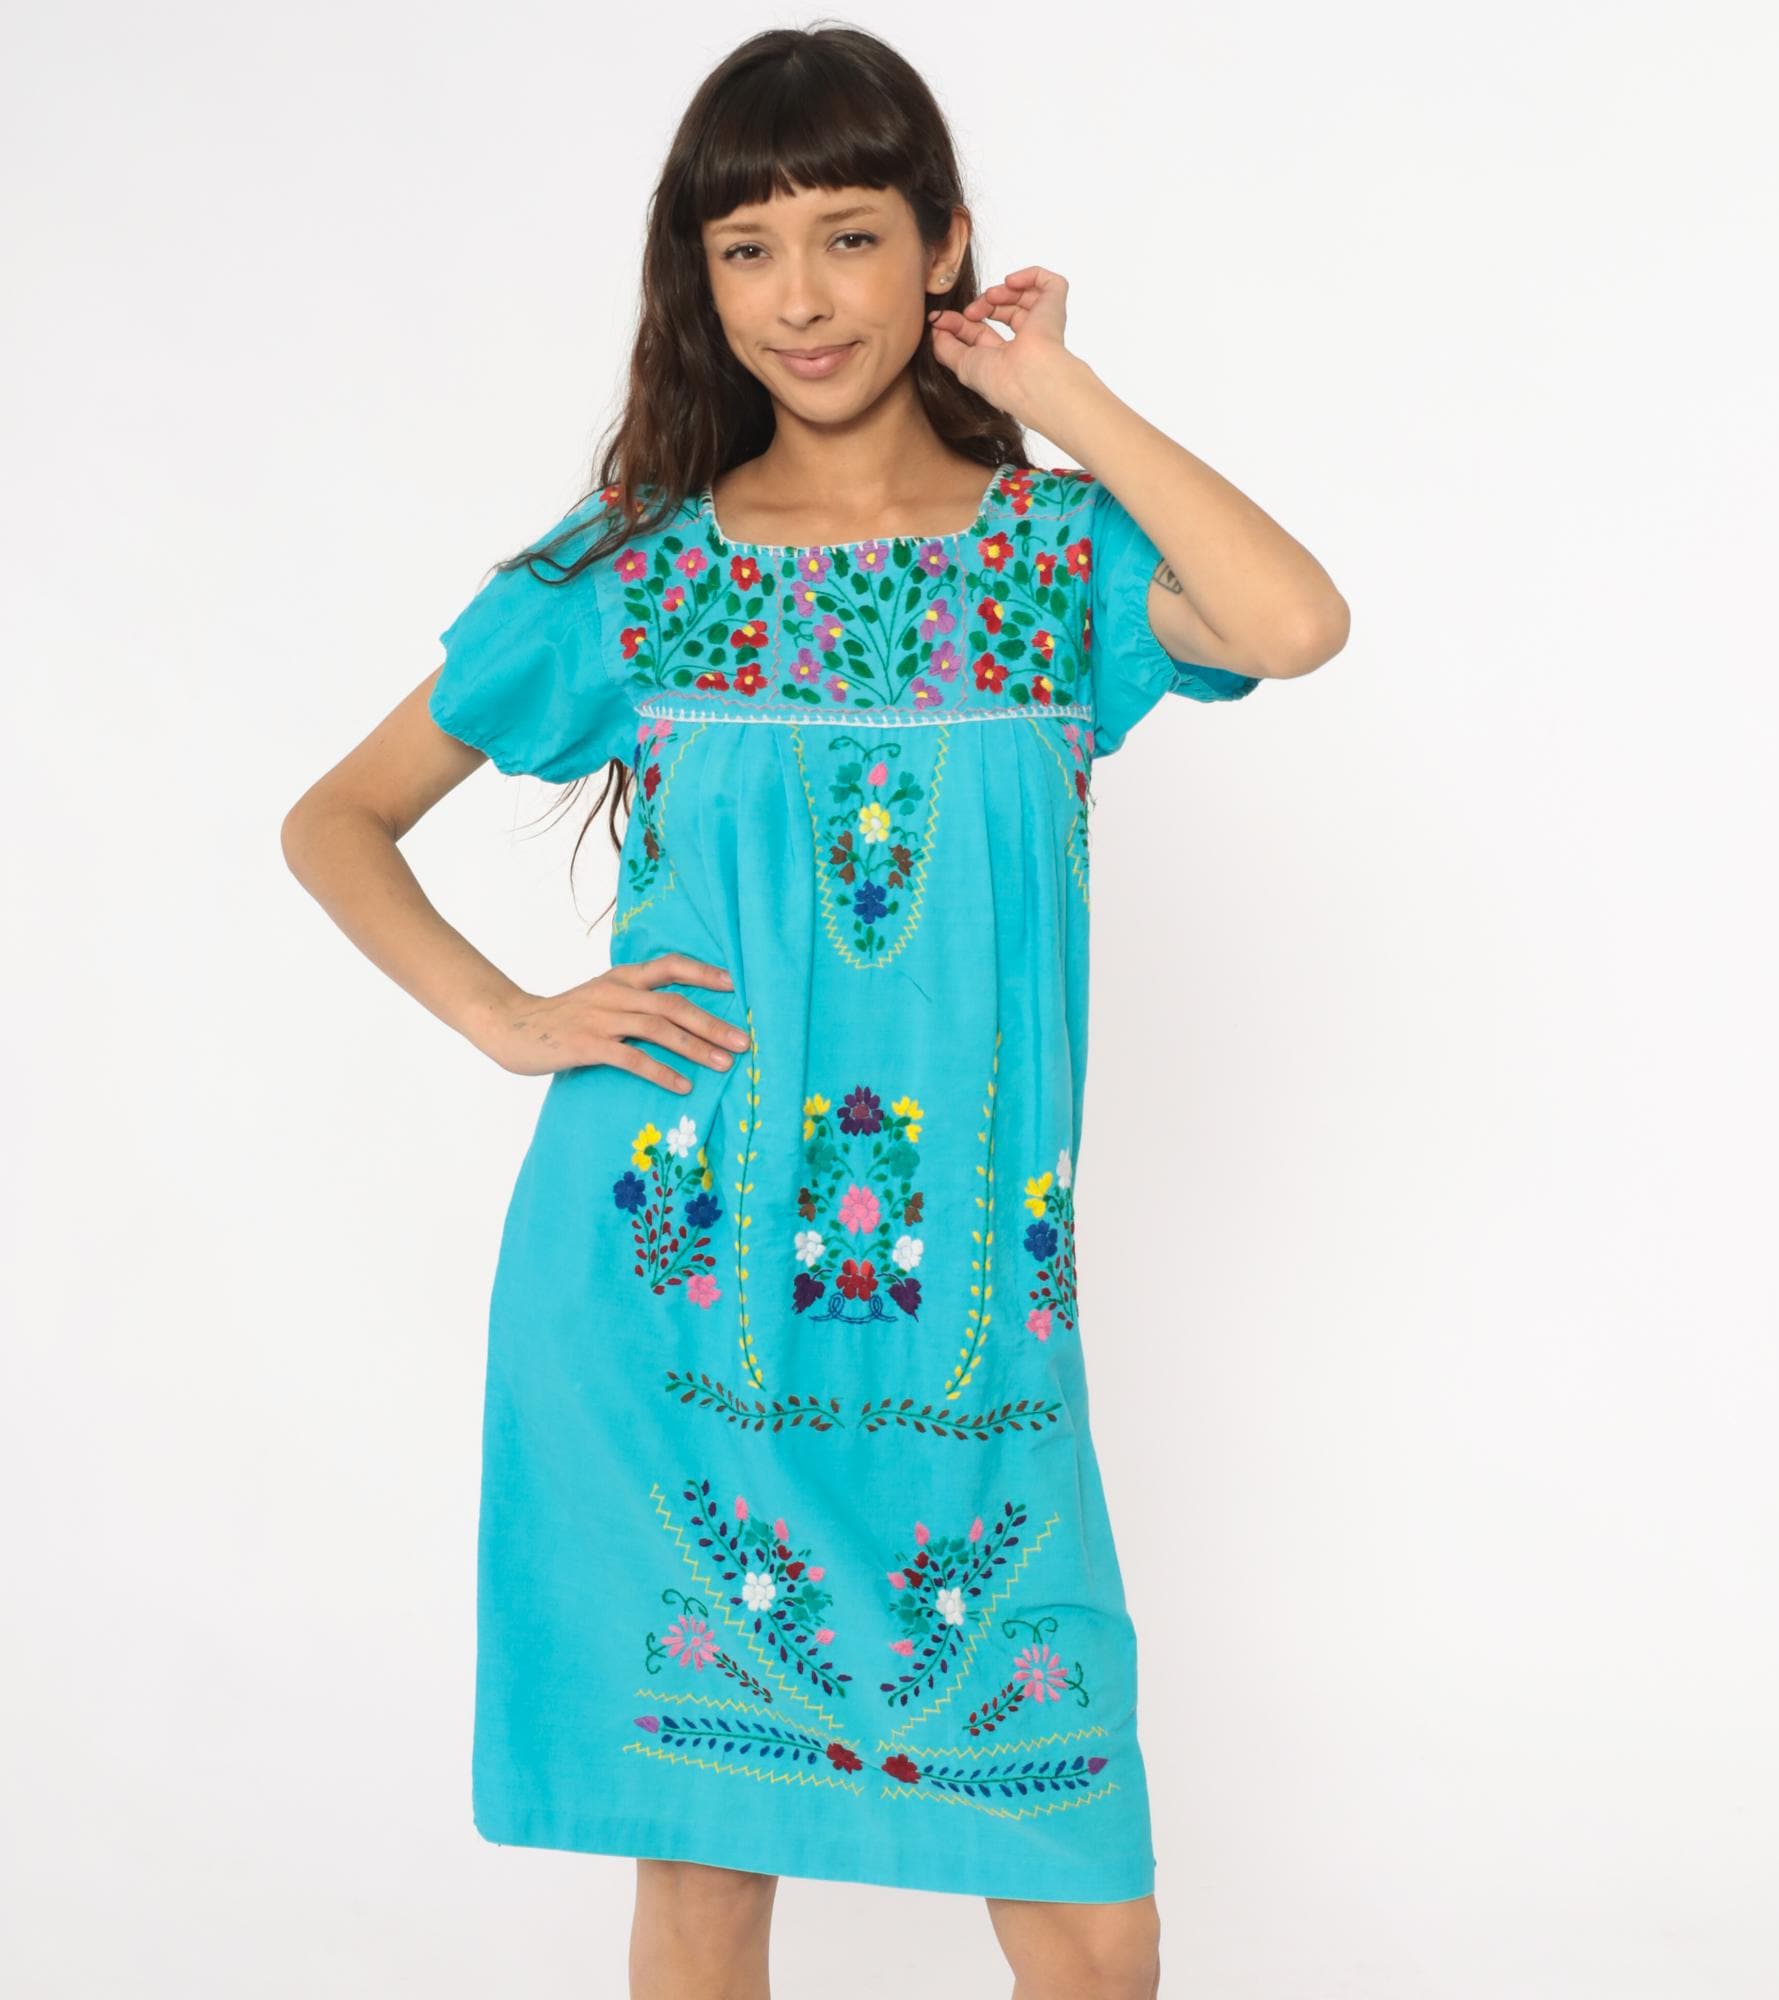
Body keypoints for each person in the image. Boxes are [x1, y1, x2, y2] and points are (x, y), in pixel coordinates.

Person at [281, 24, 1346, 2000]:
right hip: (669, 1310)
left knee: (1092, 1923)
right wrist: (509, 1015)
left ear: (943, 248)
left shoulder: (1053, 560)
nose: (798, 297)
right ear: (698, 282)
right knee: (703, 1888)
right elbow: (334, 819)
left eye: (849, 236)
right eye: (745, 249)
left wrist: (1055, 393)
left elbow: (1293, 623)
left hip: (973, 1340)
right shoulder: (640, 574)